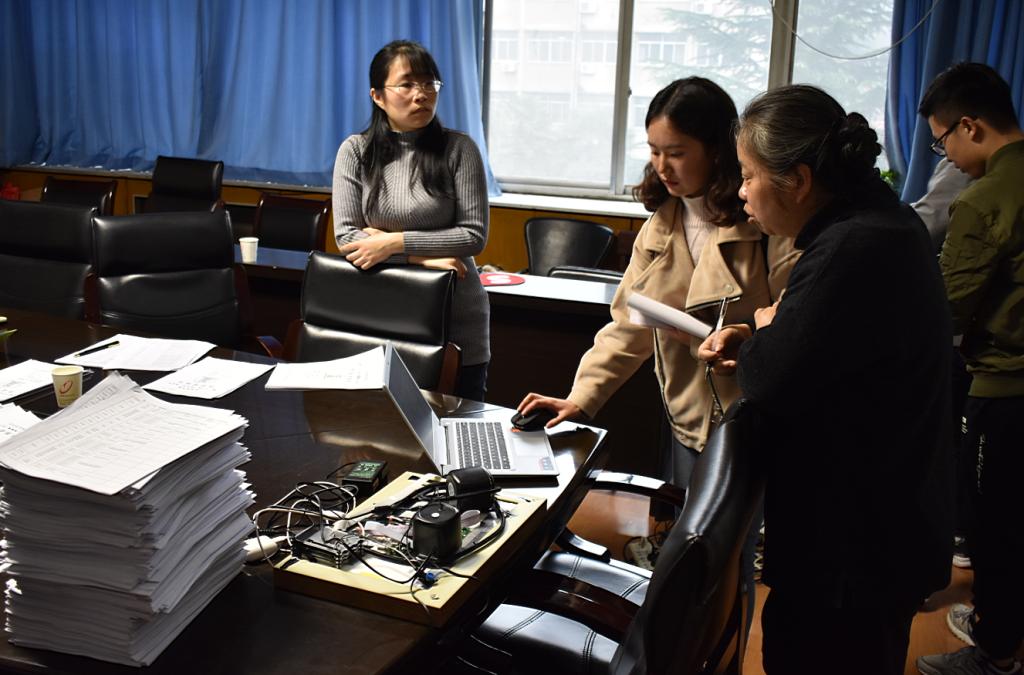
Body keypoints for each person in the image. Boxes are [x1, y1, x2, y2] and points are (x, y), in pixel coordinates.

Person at [698, 85, 952, 675]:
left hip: (854, 543)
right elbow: (821, 350)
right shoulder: (880, 222)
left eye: (749, 175)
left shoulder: (852, 246)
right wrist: (762, 332)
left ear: (799, 180)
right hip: (879, 524)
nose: (741, 191)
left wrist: (767, 332)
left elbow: (771, 379)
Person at [517, 76, 796, 491]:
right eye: (654, 151)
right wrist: (580, 399)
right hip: (686, 416)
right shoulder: (660, 226)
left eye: (677, 153)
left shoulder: (765, 222)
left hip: (756, 419)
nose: (662, 166)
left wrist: (736, 337)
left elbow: (795, 321)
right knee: (687, 519)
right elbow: (626, 327)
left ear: (717, 150)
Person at [915, 62, 1024, 675]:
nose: (947, 156)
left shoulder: (985, 198)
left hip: (1006, 388)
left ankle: (995, 652)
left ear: (970, 126)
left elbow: (948, 308)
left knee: (994, 526)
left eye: (942, 141)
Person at [333, 40, 490, 401]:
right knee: (377, 426)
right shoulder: (356, 151)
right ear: (378, 96)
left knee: (456, 425)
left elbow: (473, 236)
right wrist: (421, 258)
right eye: (406, 84)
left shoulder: (459, 149)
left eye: (429, 83)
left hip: (455, 317)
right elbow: (347, 238)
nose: (421, 95)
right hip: (382, 312)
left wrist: (391, 242)